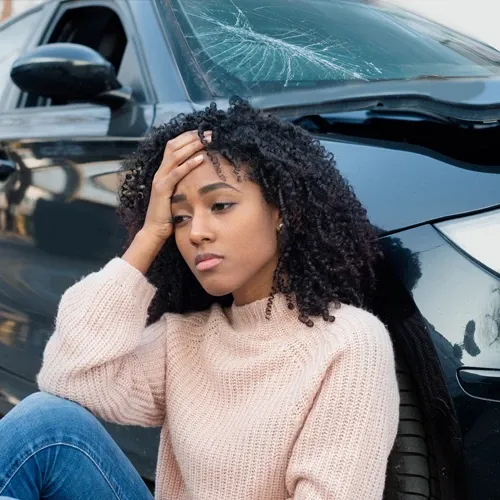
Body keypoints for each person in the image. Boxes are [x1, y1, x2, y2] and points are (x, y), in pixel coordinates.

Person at [0, 99, 400, 500]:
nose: (196, 233)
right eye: (180, 217)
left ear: (283, 210)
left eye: (220, 205)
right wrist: (148, 237)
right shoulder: (185, 339)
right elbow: (69, 378)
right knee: (47, 422)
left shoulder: (349, 343)